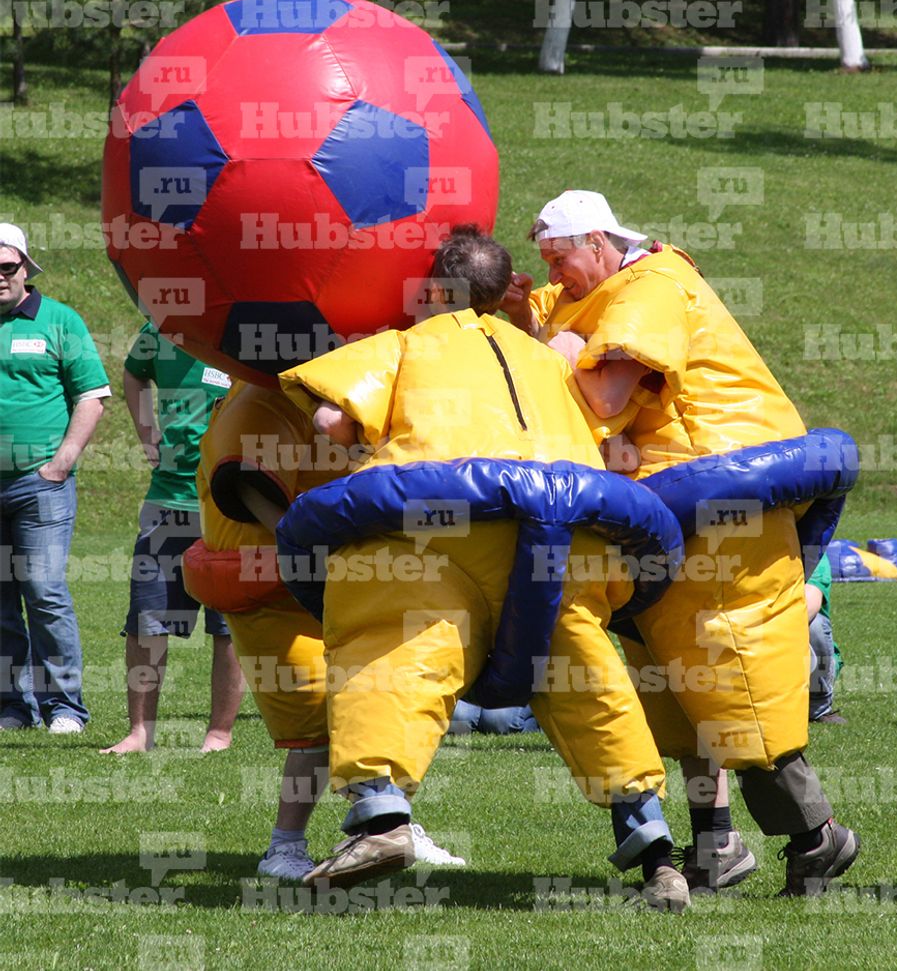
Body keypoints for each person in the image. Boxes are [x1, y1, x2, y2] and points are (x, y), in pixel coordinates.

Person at [277, 224, 690, 912]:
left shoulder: (403, 344)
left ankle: (381, 817)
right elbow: (606, 421)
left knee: (397, 645)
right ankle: (654, 849)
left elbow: (328, 422)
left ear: (434, 289)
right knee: (587, 675)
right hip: (568, 536)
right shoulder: (549, 360)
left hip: (437, 530)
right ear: (503, 292)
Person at [504, 191, 859, 896]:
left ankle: (818, 835)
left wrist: (563, 368)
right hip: (649, 522)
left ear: (600, 242)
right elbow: (546, 330)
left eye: (560, 258)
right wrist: (522, 319)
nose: (552, 274)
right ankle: (715, 842)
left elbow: (604, 397)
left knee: (736, 689)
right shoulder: (590, 290)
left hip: (720, 511)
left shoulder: (652, 290)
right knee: (673, 693)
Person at [181, 380, 465, 878]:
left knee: (379, 702)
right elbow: (245, 482)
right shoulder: (260, 400)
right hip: (275, 585)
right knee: (315, 725)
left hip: (338, 575)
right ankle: (284, 848)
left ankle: (388, 825)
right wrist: (308, 541)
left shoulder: (341, 397)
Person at [100, 322, 242, 754]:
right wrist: (147, 434)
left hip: (231, 501)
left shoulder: (243, 330)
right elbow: (134, 372)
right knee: (147, 620)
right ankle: (140, 733)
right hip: (168, 500)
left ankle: (219, 734)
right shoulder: (158, 330)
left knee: (230, 626)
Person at [0, 223, 110, 733]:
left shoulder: (59, 321)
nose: (0, 277)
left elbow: (92, 395)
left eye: (8, 267)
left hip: (38, 484)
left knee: (42, 590)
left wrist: (61, 461)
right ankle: (12, 707)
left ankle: (65, 707)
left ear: (26, 268)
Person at [806, 553, 845, 724]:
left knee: (814, 625)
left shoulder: (813, 553)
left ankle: (819, 706)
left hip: (798, 647)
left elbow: (807, 608)